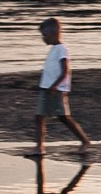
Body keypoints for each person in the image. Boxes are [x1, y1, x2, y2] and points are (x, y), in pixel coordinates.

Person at [35, 16, 92, 155]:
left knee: (64, 117)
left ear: (54, 34)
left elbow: (65, 70)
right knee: (39, 116)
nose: (43, 38)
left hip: (56, 89)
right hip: (46, 88)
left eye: (45, 35)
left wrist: (55, 86)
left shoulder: (61, 49)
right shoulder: (53, 49)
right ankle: (39, 147)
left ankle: (84, 141)